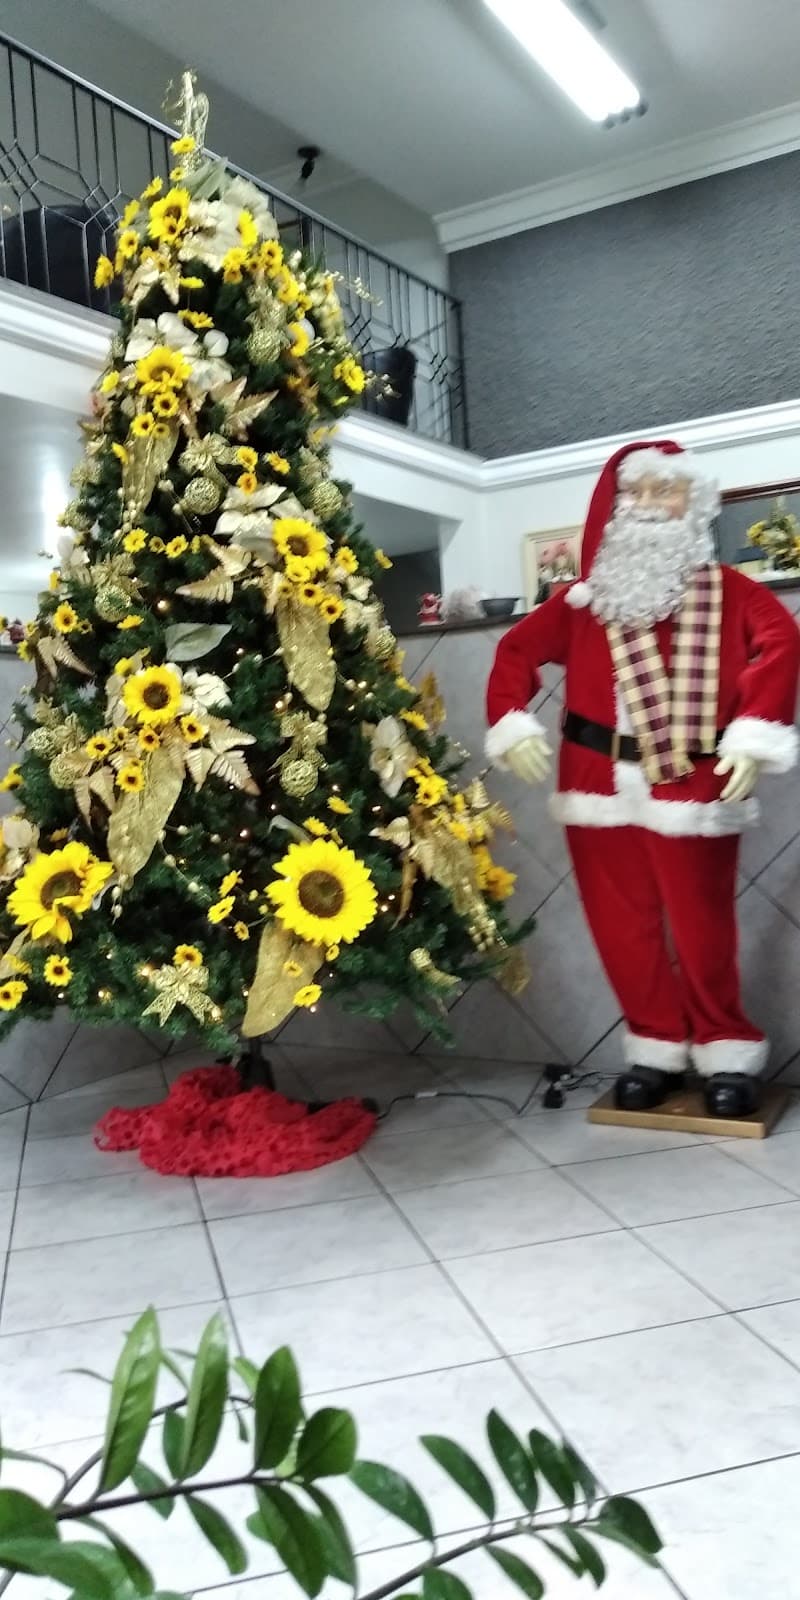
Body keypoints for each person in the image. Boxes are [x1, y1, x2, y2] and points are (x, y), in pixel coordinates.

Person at [485, 440, 800, 1117]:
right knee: (619, 928)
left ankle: (726, 1048)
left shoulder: (731, 593)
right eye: (642, 492)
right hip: (595, 785)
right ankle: (655, 1045)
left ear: (695, 502)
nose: (655, 504)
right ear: (617, 505)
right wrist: (512, 721)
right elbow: (514, 651)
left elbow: (781, 642)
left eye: (669, 490)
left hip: (690, 786)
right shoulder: (580, 604)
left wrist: (754, 733)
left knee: (701, 927)